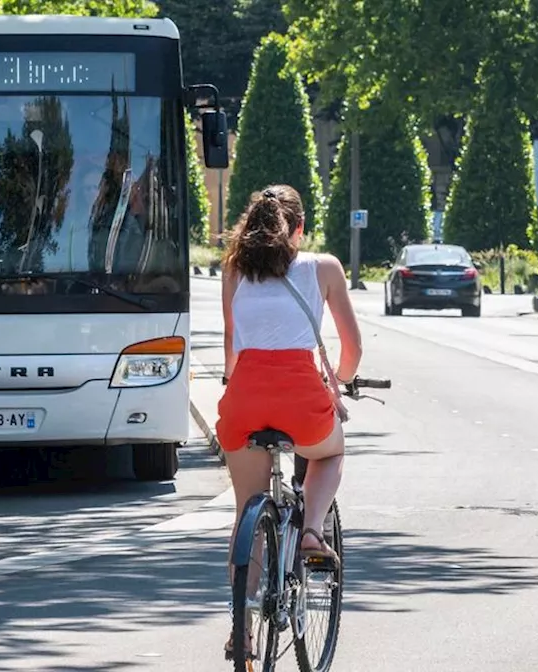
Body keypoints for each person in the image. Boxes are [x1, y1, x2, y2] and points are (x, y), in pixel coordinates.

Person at [216, 184, 362, 652]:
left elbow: (231, 344)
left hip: (244, 399)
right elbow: (352, 348)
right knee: (330, 453)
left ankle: (242, 628)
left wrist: (236, 387)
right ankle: (313, 531)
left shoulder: (235, 269)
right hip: (301, 396)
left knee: (246, 511)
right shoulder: (323, 267)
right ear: (298, 229)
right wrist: (339, 380)